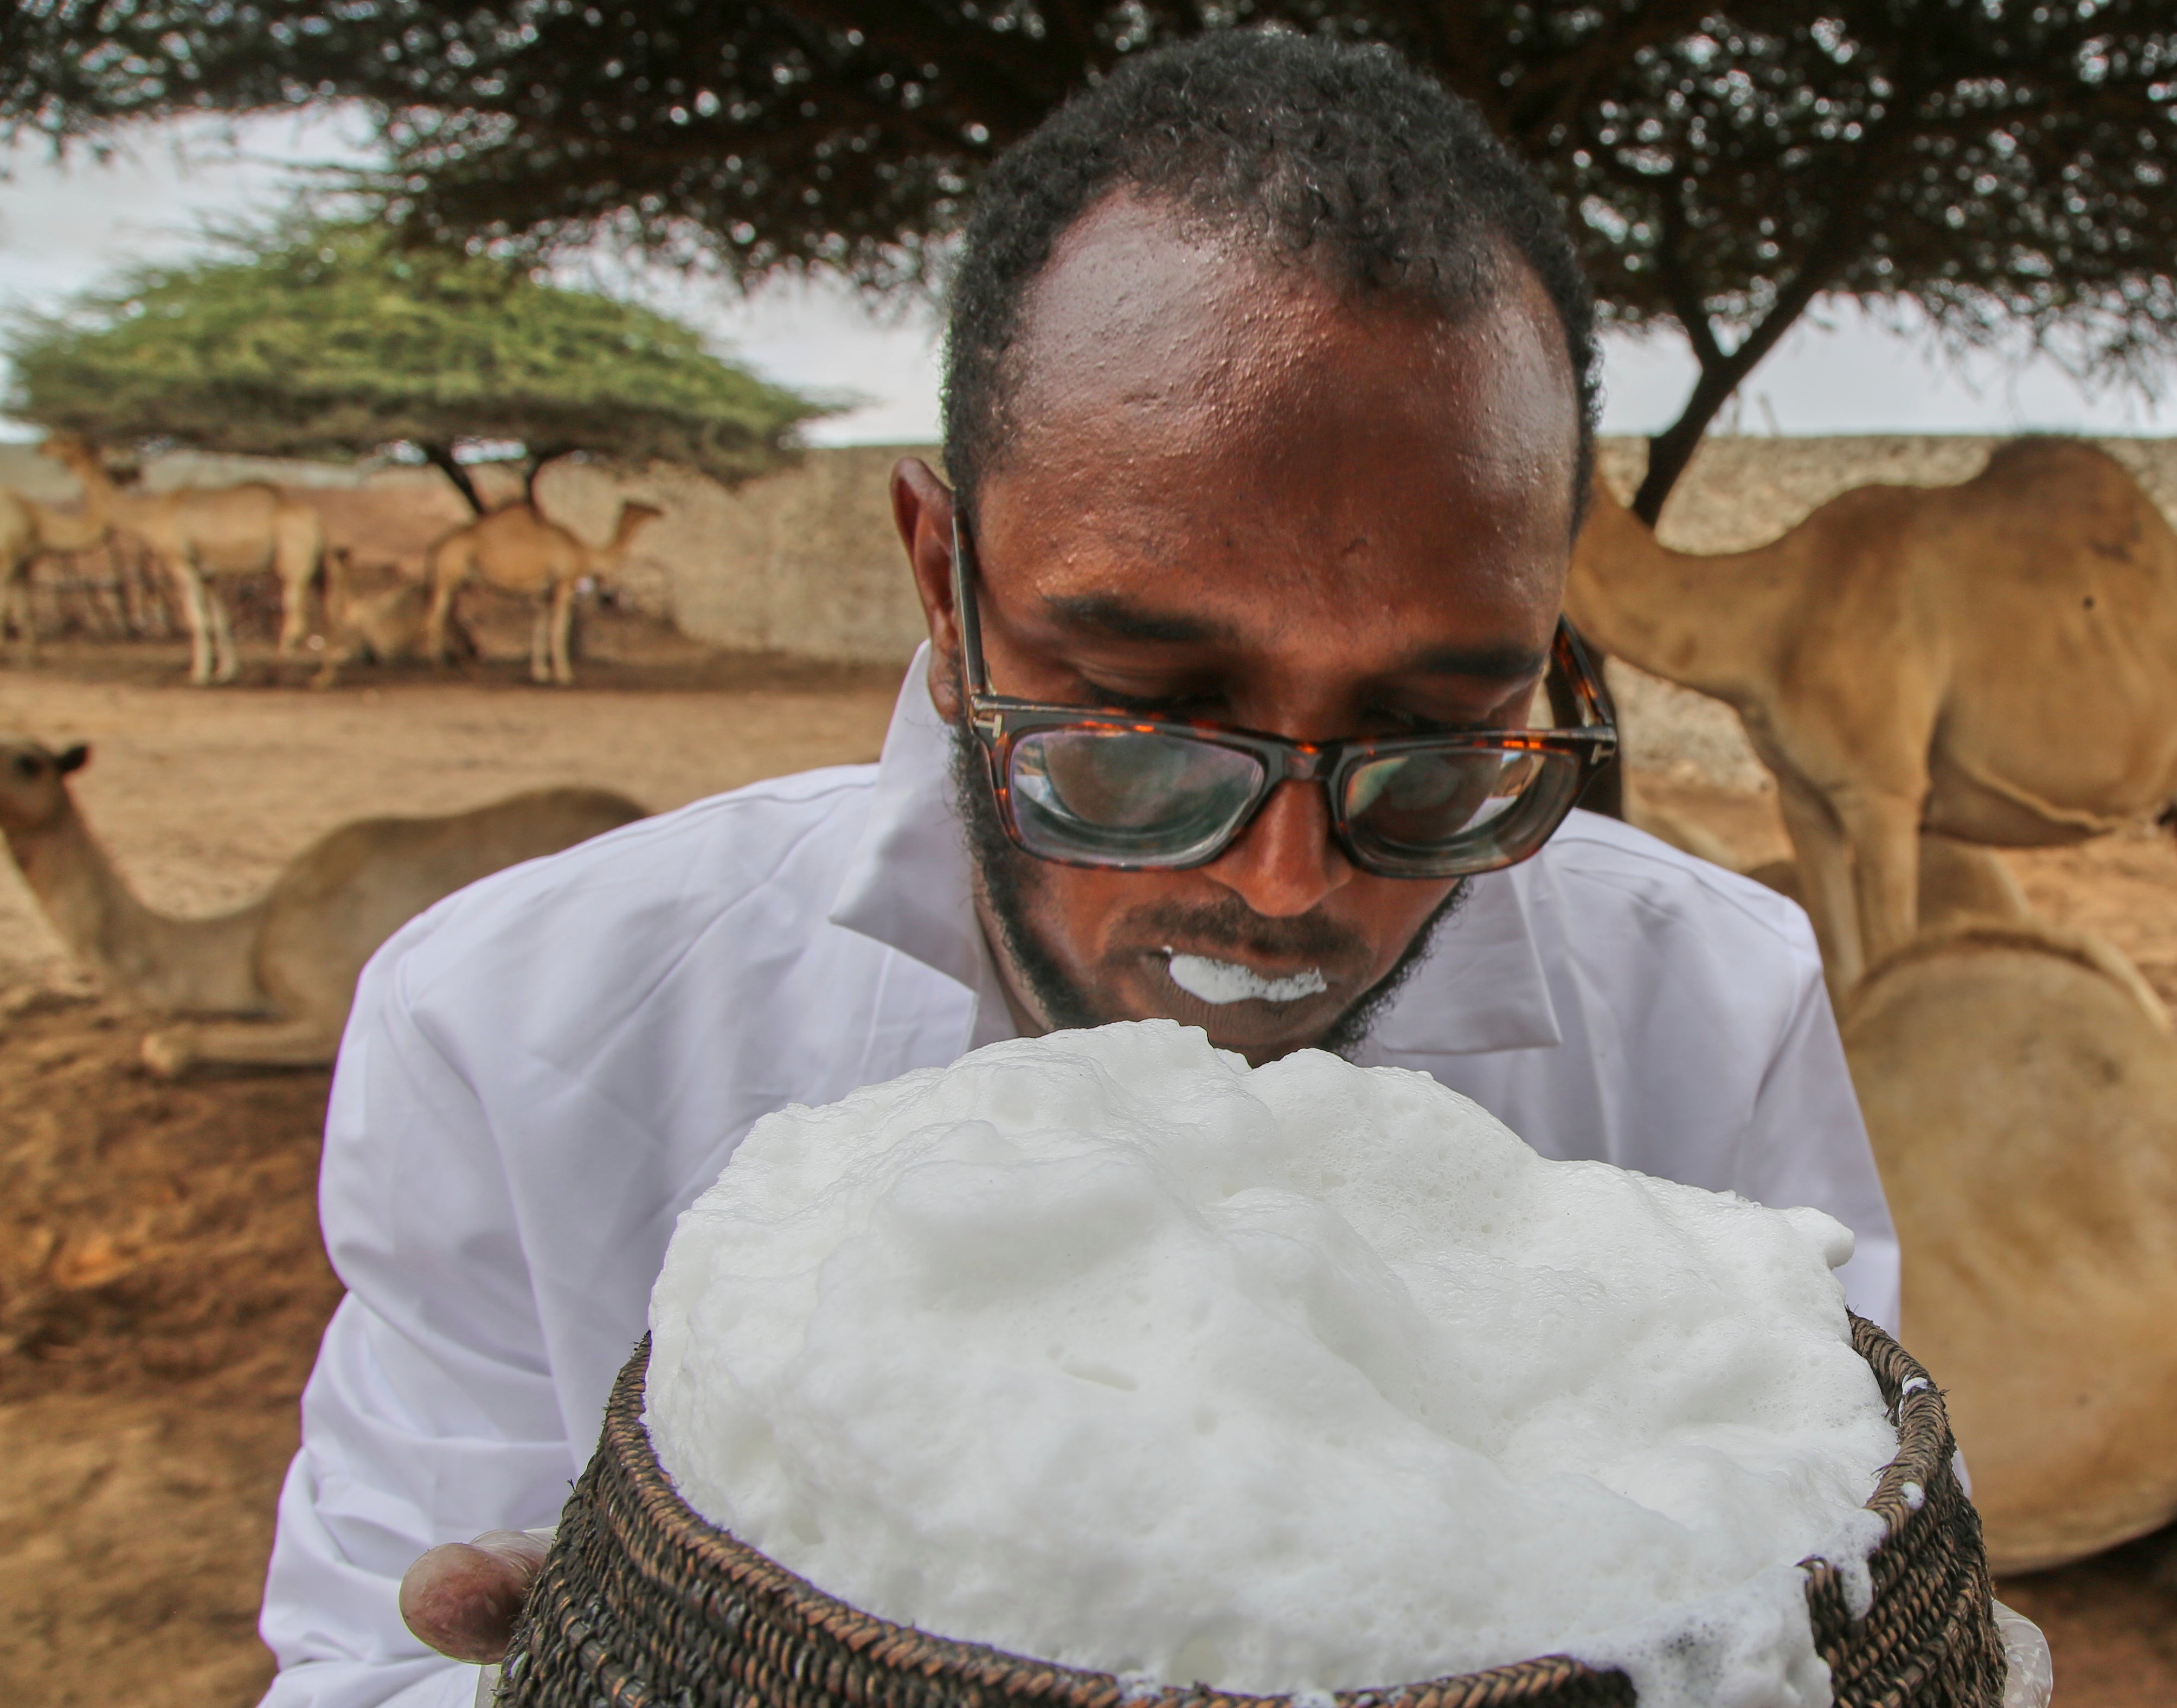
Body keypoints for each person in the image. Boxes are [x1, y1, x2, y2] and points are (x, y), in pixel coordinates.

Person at [258, 30, 1899, 1708]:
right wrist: (609, 1668)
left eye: (1430, 733)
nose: (1280, 885)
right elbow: (356, 1659)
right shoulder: (524, 1034)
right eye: (1145, 716)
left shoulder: (1714, 1011)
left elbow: (1855, 1550)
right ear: (940, 582)